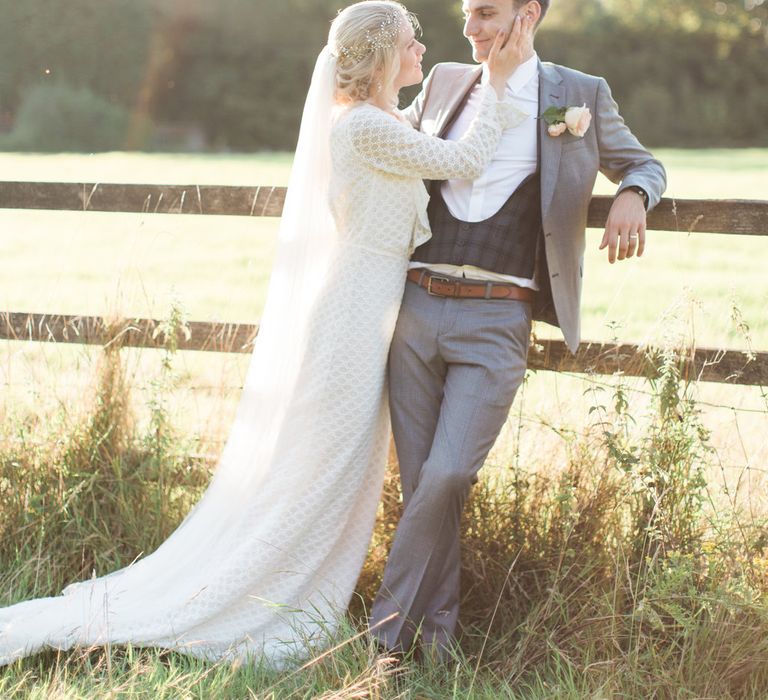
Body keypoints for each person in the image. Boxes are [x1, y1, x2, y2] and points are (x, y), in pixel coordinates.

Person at [0, 1, 533, 668]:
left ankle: (302, 594)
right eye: (410, 41)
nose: (422, 49)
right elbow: (468, 159)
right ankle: (250, 602)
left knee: (337, 472)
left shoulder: (380, 121)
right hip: (351, 324)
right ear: (379, 58)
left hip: (371, 317)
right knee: (319, 472)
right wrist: (505, 82)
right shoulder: (366, 127)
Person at [369, 0, 667, 658]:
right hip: (414, 308)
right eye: (468, 13)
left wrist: (631, 194)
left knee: (448, 475)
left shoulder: (575, 99)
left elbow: (641, 162)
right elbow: (389, 152)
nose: (470, 28)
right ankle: (435, 644)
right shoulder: (444, 81)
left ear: (528, 14)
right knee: (421, 484)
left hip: (497, 317)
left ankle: (382, 640)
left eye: (486, 13)